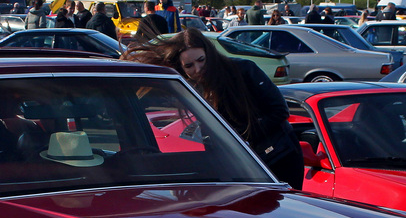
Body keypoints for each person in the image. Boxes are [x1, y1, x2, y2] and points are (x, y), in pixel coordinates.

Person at [130, 29, 303, 188]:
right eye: (189, 66)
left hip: (280, 156)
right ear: (181, 67)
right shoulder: (188, 86)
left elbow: (280, 110)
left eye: (201, 60)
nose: (198, 69)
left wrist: (241, 136)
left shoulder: (243, 70)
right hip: (240, 163)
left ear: (209, 54)